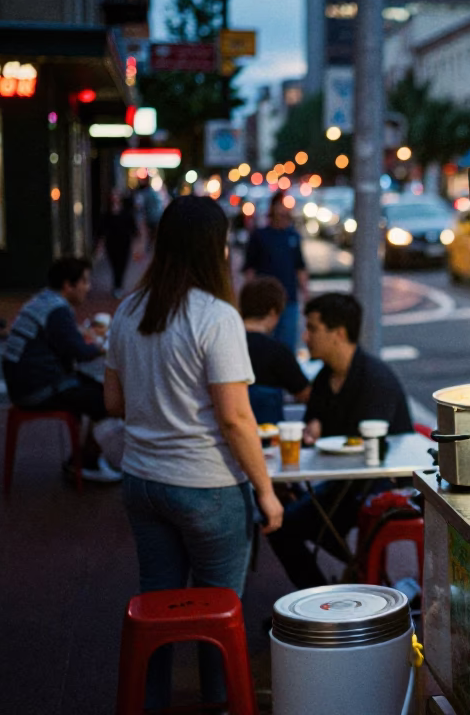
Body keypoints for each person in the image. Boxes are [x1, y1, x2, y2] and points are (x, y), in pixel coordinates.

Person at [103, 195, 283, 710]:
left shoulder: (127, 311)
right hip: (207, 485)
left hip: (141, 479)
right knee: (219, 608)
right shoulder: (216, 316)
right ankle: (223, 702)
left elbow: (113, 401)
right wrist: (266, 493)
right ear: (214, 248)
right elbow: (234, 418)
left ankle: (151, 699)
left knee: (157, 602)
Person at [266, 292, 414, 590]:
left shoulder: (374, 377)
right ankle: (319, 597)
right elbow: (313, 428)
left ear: (339, 334)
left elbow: (374, 442)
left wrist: (321, 432)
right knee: (279, 526)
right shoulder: (324, 378)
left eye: (312, 328)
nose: (305, 337)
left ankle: (350, 585)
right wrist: (311, 432)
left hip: (379, 485)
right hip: (340, 484)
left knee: (297, 524)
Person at [1, 256, 122, 484]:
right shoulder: (57, 310)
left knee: (98, 390)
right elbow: (79, 351)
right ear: (68, 285)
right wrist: (105, 347)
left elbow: (66, 343)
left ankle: (82, 460)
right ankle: (87, 463)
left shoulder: (43, 301)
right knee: (108, 399)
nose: (89, 287)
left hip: (26, 384)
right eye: (85, 282)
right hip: (38, 389)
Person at [239, 276, 311, 427]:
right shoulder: (277, 351)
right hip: (268, 436)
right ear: (273, 312)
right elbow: (305, 394)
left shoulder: (226, 345)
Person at [243, 197, 308, 352]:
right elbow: (250, 268)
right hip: (264, 300)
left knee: (287, 345)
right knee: (263, 345)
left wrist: (305, 292)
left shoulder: (293, 235)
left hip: (289, 299)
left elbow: (300, 266)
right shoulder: (260, 235)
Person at [101, 190, 139, 297]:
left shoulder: (126, 213)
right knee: (114, 265)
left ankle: (118, 286)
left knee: (122, 265)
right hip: (112, 243)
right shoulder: (107, 213)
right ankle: (117, 285)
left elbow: (133, 228)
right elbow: (102, 229)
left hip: (124, 243)